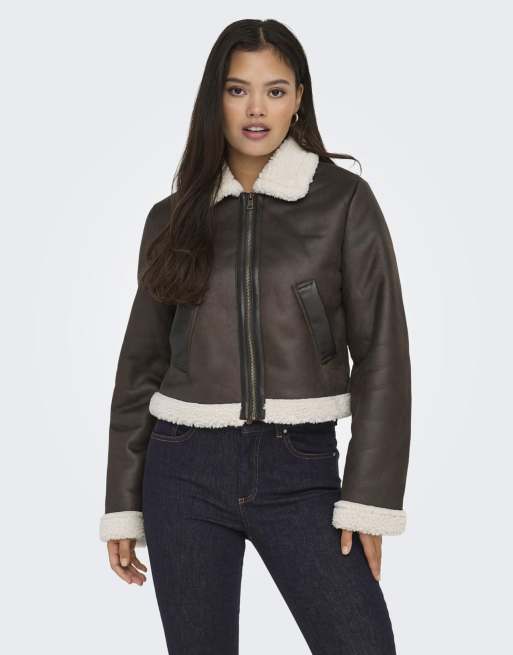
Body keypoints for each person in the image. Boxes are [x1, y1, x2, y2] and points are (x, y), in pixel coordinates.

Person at [98, 18, 411, 655]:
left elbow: (383, 351)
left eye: (275, 90)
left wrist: (368, 500)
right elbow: (141, 366)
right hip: (182, 469)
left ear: (299, 98)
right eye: (238, 90)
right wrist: (122, 503)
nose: (256, 109)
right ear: (215, 98)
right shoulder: (173, 217)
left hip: (301, 467)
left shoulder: (343, 202)